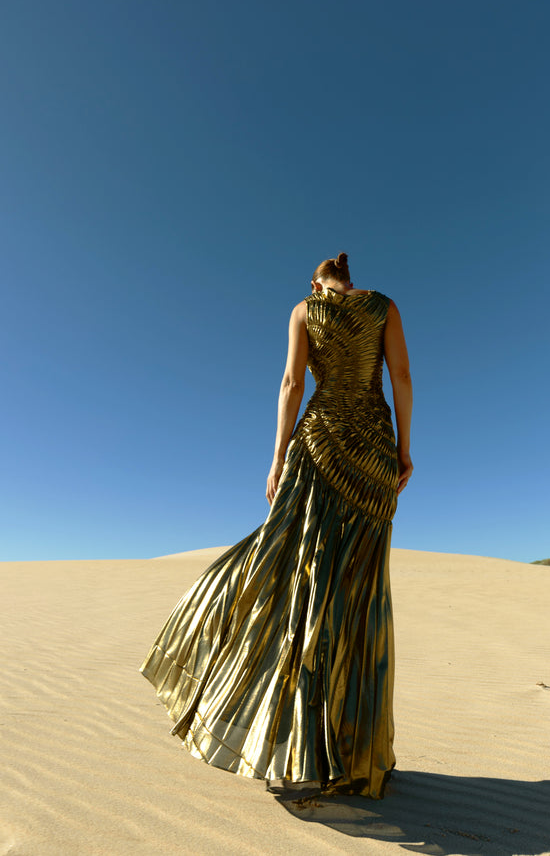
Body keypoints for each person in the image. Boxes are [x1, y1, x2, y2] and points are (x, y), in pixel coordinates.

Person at [139, 252, 413, 800]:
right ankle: (352, 755)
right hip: (373, 452)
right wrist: (404, 450)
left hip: (319, 442)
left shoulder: (303, 310)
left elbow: (292, 383)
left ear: (316, 281)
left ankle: (292, 742)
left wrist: (277, 456)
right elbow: (401, 376)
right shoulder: (384, 306)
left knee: (294, 569)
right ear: (350, 279)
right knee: (356, 592)